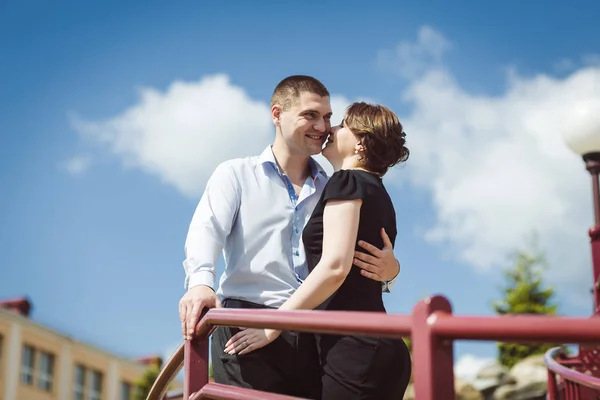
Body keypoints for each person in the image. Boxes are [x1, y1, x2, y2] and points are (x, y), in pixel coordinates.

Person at [178, 76, 401, 398]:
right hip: (246, 321)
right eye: (310, 115)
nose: (322, 126)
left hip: (313, 329)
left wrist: (391, 272)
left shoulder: (337, 184)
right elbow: (206, 228)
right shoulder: (237, 173)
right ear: (277, 114)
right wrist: (200, 282)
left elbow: (353, 256)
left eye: (327, 117)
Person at [224, 101, 412, 400]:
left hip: (354, 345)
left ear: (361, 142)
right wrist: (394, 272)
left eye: (343, 125)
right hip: (378, 342)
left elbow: (335, 267)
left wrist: (273, 327)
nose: (331, 129)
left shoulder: (347, 181)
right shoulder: (377, 191)